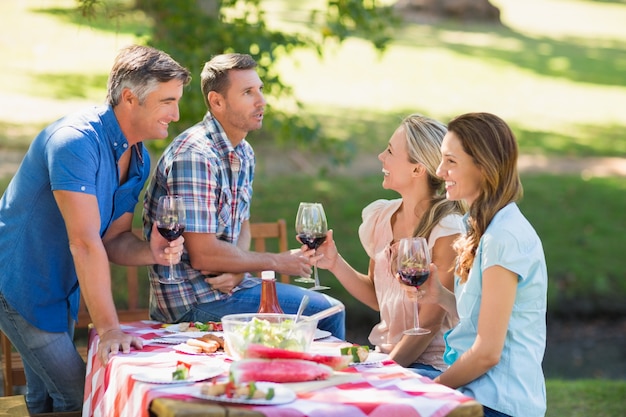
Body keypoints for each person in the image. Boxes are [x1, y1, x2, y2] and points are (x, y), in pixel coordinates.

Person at [0, 45, 191, 412]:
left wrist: (151, 252)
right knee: (80, 397)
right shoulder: (75, 143)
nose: (176, 114)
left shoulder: (137, 158)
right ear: (130, 98)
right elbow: (85, 244)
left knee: (47, 401)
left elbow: (113, 240)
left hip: (61, 290)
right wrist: (110, 329)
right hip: (19, 283)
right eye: (167, 101)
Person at [142, 53, 345, 339]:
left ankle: (292, 380)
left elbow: (242, 226)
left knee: (324, 310)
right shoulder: (196, 156)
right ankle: (320, 381)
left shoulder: (244, 153)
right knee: (325, 311)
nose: (261, 101)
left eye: (260, 90)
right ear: (217, 102)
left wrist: (239, 274)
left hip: (229, 290)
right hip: (193, 303)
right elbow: (204, 256)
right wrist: (275, 262)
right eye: (248, 92)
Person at [405, 112, 548, 417]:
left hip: (497, 402)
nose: (440, 171)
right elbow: (483, 319)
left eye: (451, 161)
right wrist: (439, 296)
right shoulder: (485, 227)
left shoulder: (504, 237)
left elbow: (487, 353)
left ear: (484, 167)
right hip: (476, 390)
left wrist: (435, 392)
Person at [315, 114, 466, 379]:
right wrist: (335, 262)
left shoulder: (447, 231)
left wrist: (378, 374)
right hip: (387, 357)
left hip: (431, 368)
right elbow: (376, 297)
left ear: (417, 169)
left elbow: (428, 324)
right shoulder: (382, 217)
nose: (381, 157)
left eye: (390, 151)